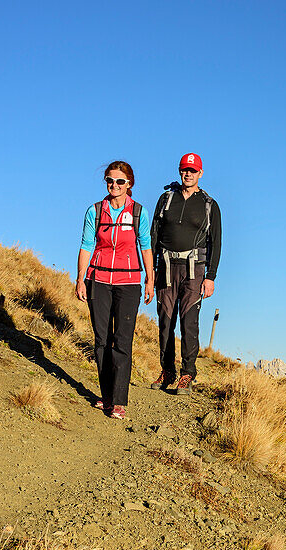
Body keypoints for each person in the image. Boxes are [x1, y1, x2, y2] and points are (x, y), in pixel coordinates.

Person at [75, 161, 154, 419]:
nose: (114, 185)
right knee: (101, 340)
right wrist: (79, 279)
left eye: (120, 181)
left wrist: (150, 280)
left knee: (122, 340)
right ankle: (106, 396)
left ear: (129, 183)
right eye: (110, 180)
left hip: (129, 284)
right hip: (97, 280)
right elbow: (86, 245)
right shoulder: (95, 211)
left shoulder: (139, 213)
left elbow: (146, 247)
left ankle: (119, 401)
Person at [149, 152, 222, 394]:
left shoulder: (210, 205)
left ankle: (188, 374)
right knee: (165, 321)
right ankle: (167, 370)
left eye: (193, 170)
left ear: (201, 173)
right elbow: (153, 236)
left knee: (189, 322)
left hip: (194, 271)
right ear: (180, 171)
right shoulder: (166, 199)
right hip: (166, 269)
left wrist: (210, 276)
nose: (188, 173)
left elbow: (216, 243)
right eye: (184, 169)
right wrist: (151, 272)